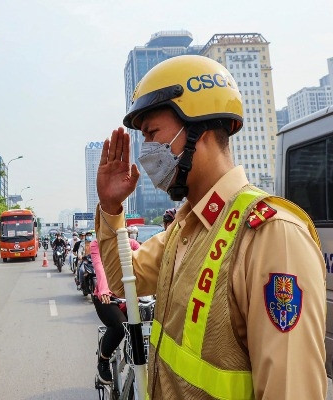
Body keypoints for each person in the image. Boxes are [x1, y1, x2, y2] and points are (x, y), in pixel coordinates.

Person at [95, 55, 326, 399]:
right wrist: (111, 208)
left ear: (197, 129)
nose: (146, 152)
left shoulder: (271, 235)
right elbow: (123, 280)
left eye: (153, 134)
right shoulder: (185, 228)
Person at [90, 238, 140, 384]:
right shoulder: (97, 244)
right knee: (120, 326)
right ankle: (103, 360)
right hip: (107, 298)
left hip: (130, 297)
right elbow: (100, 268)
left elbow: (144, 266)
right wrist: (105, 290)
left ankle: (129, 349)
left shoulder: (132, 244)